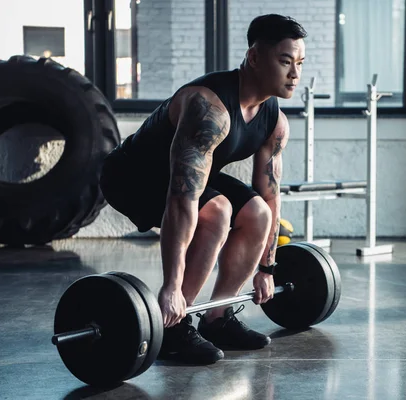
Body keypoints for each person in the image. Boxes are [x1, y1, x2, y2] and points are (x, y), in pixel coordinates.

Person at [99, 14, 307, 365]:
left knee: (258, 212)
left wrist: (267, 268)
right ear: (254, 58)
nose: (295, 74)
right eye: (285, 61)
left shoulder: (275, 121)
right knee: (218, 211)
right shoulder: (208, 108)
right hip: (130, 176)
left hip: (183, 177)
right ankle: (174, 328)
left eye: (299, 63)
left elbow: (270, 194)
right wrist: (170, 287)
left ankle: (218, 317)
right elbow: (183, 199)